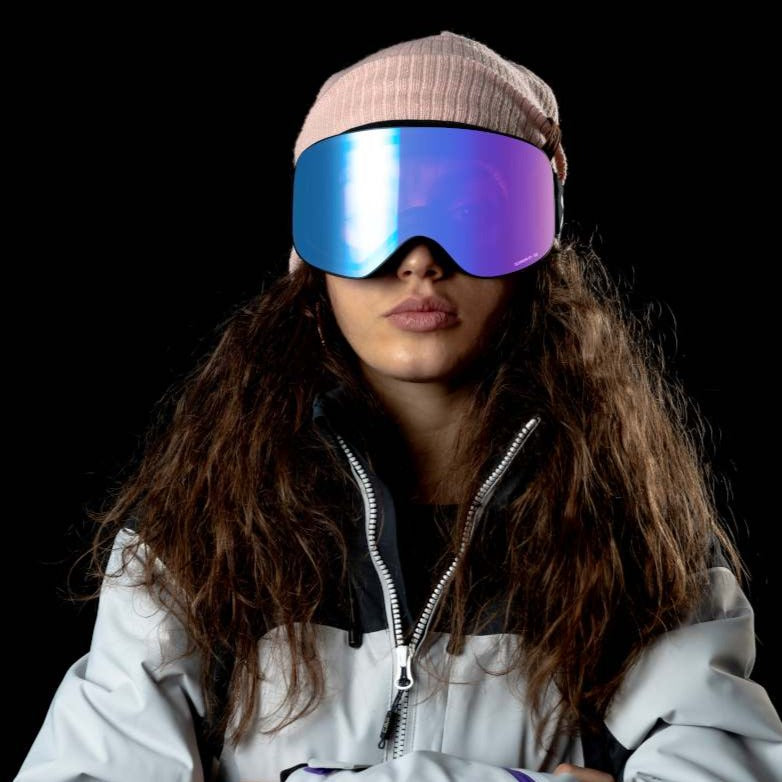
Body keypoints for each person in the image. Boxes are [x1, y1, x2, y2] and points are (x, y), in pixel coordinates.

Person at [15, 30, 782, 782]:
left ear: (537, 248)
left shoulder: (643, 545)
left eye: (470, 207)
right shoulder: (191, 535)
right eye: (371, 210)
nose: (419, 258)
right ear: (312, 256)